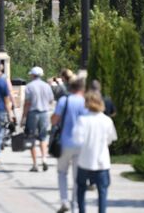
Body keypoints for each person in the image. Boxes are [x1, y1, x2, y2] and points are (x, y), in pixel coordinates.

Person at [73, 91, 117, 213]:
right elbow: (110, 139)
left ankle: (82, 210)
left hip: (84, 160)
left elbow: (77, 140)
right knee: (102, 191)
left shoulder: (82, 120)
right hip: (102, 161)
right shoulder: (107, 120)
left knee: (81, 189)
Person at [51, 77, 88, 213]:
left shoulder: (64, 101)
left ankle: (64, 200)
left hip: (64, 142)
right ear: (82, 88)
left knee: (62, 172)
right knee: (78, 177)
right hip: (81, 144)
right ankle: (76, 204)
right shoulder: (85, 102)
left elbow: (55, 119)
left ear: (70, 88)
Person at [21, 66, 54, 172]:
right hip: (44, 113)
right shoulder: (46, 86)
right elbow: (51, 100)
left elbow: (27, 103)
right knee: (43, 137)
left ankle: (35, 164)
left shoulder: (29, 86)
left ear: (33, 75)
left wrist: (23, 117)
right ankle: (44, 159)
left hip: (33, 113)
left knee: (31, 138)